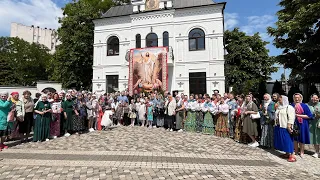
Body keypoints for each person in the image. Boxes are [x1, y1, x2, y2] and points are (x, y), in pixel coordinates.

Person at [274, 95, 296, 162]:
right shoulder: (279, 107)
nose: (279, 100)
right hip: (279, 126)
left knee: (288, 140)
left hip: (285, 126)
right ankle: (287, 153)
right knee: (283, 141)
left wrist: (289, 125)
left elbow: (291, 117)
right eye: (279, 99)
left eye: (280, 99)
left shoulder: (289, 107)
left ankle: (292, 155)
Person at [292, 93, 313, 157]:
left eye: (298, 97)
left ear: (301, 98)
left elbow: (309, 116)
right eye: (295, 98)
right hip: (294, 123)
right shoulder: (291, 105)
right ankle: (296, 151)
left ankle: (302, 152)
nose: (297, 99)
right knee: (294, 137)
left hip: (303, 123)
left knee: (302, 137)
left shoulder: (304, 106)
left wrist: (298, 115)